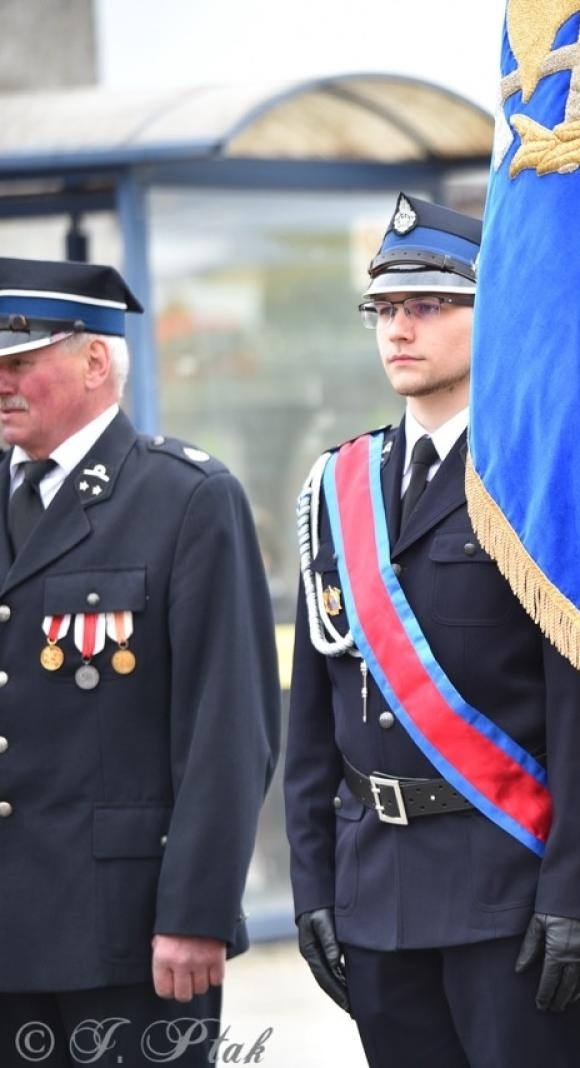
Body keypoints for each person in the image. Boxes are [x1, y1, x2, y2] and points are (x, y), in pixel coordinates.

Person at [283, 194, 580, 1068]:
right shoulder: (339, 487)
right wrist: (314, 883)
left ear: (498, 314)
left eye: (430, 305)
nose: (399, 329)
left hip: (510, 894)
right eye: (384, 308)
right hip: (376, 892)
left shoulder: (548, 479)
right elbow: (314, 715)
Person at [0, 258, 279, 1066]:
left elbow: (227, 728)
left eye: (20, 361)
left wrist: (196, 912)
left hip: (125, 929)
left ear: (95, 360)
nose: (2, 382)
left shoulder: (185, 497)